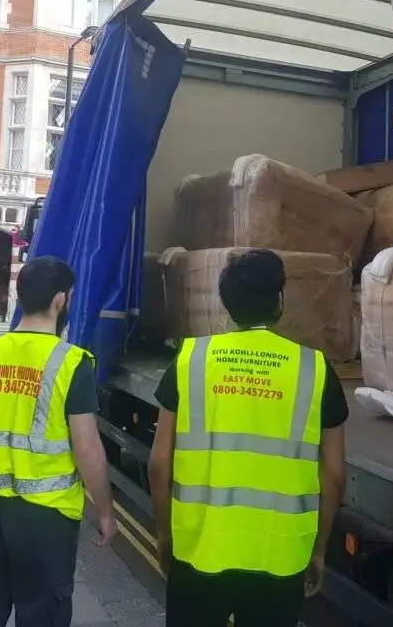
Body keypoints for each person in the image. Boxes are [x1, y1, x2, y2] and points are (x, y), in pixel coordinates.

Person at [149, 249, 348, 626]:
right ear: (280, 300)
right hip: (280, 557)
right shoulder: (315, 369)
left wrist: (164, 534)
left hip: (200, 550)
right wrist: (318, 549)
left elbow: (160, 464)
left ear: (226, 304)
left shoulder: (190, 360)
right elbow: (334, 475)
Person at [0, 256, 118, 626]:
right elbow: (88, 448)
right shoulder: (71, 362)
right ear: (61, 300)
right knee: (42, 616)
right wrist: (105, 512)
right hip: (46, 516)